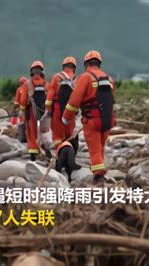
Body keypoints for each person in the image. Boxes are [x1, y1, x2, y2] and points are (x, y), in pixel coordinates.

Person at [61, 50, 115, 183]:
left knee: (95, 151)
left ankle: (98, 177)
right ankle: (100, 174)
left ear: (86, 64)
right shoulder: (109, 79)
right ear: (99, 63)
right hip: (108, 121)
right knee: (100, 148)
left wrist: (66, 117)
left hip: (92, 121)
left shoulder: (85, 77)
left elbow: (74, 102)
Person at [19, 61, 49, 161]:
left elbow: (23, 101)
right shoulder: (46, 84)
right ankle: (47, 149)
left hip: (31, 112)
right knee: (44, 132)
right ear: (42, 72)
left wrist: (23, 110)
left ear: (31, 72)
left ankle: (33, 155)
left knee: (31, 133)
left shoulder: (27, 84)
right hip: (45, 112)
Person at [45, 57, 77, 147]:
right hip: (70, 109)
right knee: (69, 134)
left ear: (63, 66)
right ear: (74, 67)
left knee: (57, 135)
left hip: (57, 108)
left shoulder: (56, 77)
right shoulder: (76, 79)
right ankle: (69, 151)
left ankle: (59, 153)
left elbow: (49, 97)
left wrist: (48, 110)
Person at [14, 76, 27, 142]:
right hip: (29, 109)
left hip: (22, 109)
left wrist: (15, 107)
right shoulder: (30, 89)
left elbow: (16, 102)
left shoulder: (19, 89)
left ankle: (20, 135)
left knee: (20, 122)